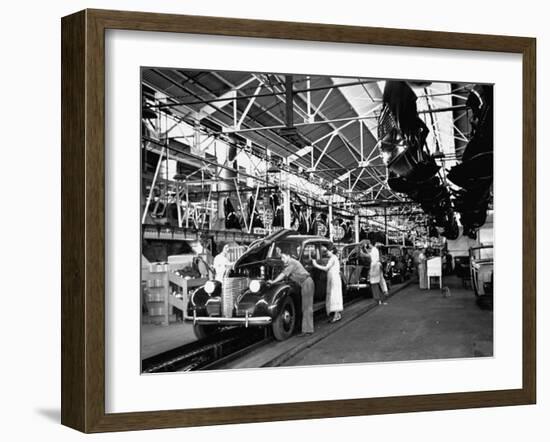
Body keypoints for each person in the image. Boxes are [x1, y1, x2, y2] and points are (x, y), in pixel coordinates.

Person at [268, 251, 315, 336]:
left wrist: (273, 282)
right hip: (305, 283)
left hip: (307, 283)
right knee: (305, 307)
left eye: (283, 257)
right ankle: (306, 330)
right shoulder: (291, 263)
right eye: (281, 258)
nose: (282, 260)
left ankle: (308, 331)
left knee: (307, 307)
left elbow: (283, 274)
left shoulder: (292, 263)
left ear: (288, 256)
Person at [312, 245, 343, 323]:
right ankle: (337, 314)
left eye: (328, 251)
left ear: (332, 251)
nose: (327, 253)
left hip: (334, 279)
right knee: (336, 295)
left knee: (334, 295)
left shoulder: (332, 259)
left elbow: (326, 268)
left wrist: (315, 264)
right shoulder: (335, 258)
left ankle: (336, 315)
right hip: (335, 278)